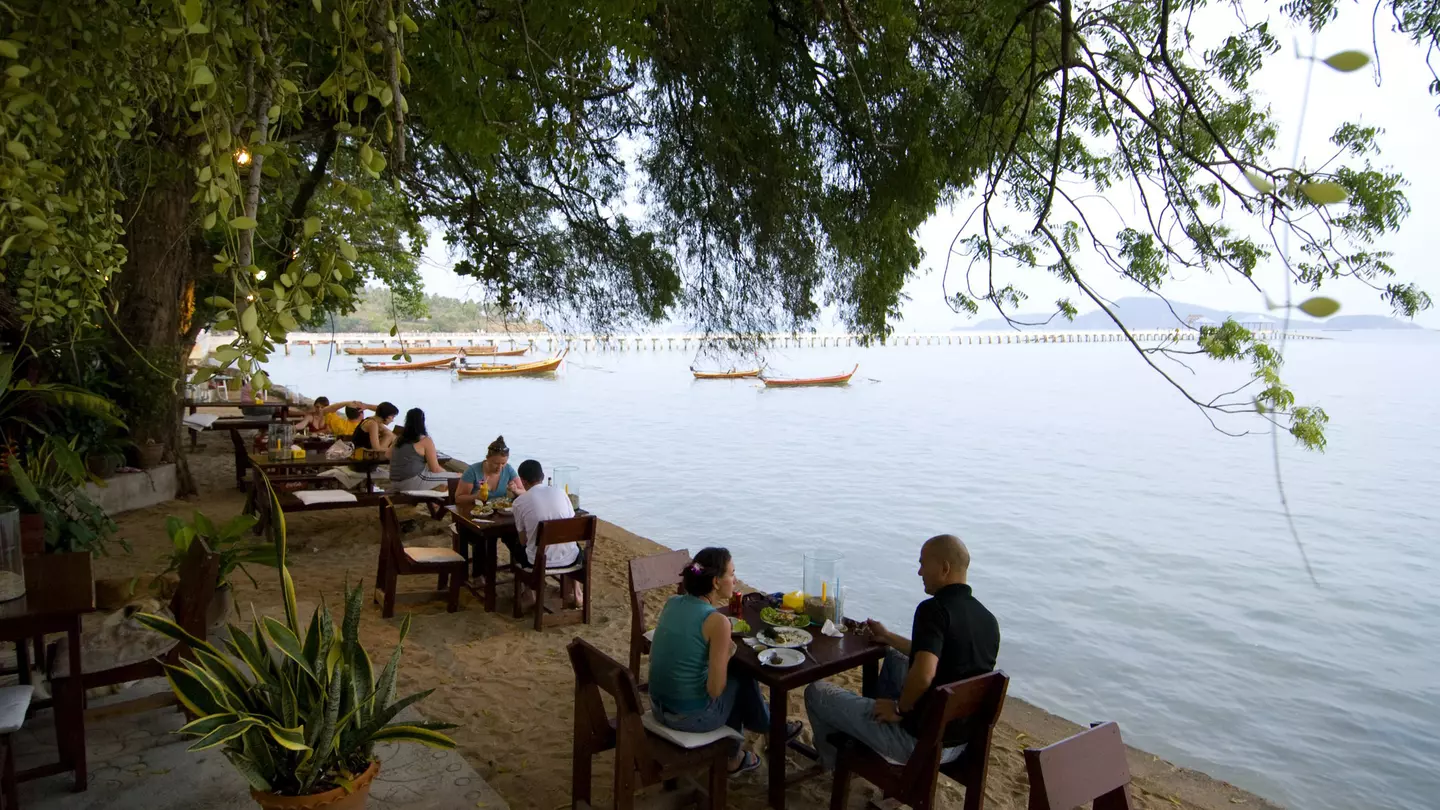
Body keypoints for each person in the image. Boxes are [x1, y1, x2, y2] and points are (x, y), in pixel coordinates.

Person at [803, 534, 1000, 771]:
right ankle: (876, 719)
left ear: (945, 568)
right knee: (896, 657)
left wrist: (900, 709)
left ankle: (834, 764)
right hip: (958, 744)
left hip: (918, 743)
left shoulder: (933, 610)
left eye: (923, 564)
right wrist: (887, 637)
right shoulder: (988, 620)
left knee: (816, 692)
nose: (919, 572)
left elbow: (925, 673)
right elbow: (936, 656)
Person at [649, 548, 802, 775]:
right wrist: (725, 657)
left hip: (658, 707)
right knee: (740, 677)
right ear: (716, 582)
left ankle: (768, 726)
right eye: (732, 574)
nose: (736, 579)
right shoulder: (717, 622)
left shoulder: (672, 602)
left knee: (738, 676)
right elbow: (715, 690)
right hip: (688, 718)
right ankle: (739, 753)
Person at [508, 459, 581, 608]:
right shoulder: (560, 492)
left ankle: (530, 592)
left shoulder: (520, 502)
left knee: (517, 547)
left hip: (539, 561)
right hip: (571, 559)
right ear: (542, 476)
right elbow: (571, 522)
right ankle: (577, 592)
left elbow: (523, 541)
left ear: (522, 480)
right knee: (574, 544)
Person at [386, 408, 449, 492]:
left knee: (434, 476)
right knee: (455, 478)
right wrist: (446, 473)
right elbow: (435, 469)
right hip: (411, 483)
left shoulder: (399, 439)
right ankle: (443, 503)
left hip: (394, 482)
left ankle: (433, 503)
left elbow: (388, 455)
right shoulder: (425, 440)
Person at [456, 436, 519, 509]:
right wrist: (476, 497)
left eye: (503, 463)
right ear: (487, 458)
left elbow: (524, 492)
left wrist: (515, 490)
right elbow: (458, 499)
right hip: (476, 511)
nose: (500, 467)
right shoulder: (473, 471)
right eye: (496, 463)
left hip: (500, 512)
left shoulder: (508, 469)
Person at [299, 397, 373, 433]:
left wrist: (346, 403)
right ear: (361, 413)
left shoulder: (339, 424)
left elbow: (326, 410)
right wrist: (367, 406)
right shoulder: (367, 426)